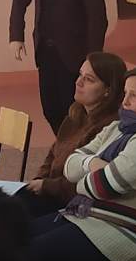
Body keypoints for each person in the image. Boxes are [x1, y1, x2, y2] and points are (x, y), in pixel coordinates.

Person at [29, 65, 136, 261]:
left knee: (27, 256)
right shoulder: (118, 128)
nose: (125, 102)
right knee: (13, 239)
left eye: (135, 96)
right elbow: (70, 165)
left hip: (126, 236)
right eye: (125, 93)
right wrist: (93, 164)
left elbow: (102, 187)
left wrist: (83, 176)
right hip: (91, 217)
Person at [14, 51, 125, 218]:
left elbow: (86, 181)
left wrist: (45, 186)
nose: (78, 82)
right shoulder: (75, 114)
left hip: (72, 200)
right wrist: (39, 180)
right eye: (80, 75)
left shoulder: (109, 127)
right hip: (50, 190)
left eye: (89, 79)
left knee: (9, 214)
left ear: (108, 90)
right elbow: (53, 153)